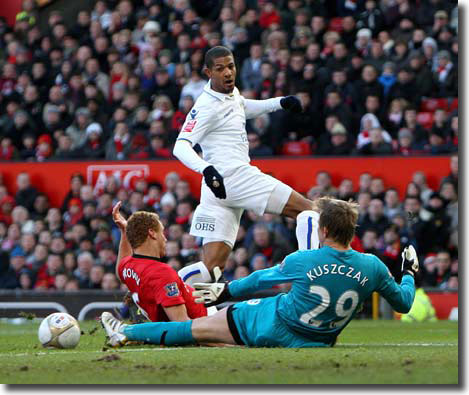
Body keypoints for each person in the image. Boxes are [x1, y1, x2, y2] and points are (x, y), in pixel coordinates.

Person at [101, 197, 418, 348]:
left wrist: (226, 291)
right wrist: (408, 272)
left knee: (191, 330)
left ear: (322, 230)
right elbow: (404, 303)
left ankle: (125, 332)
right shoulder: (373, 266)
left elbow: (260, 280)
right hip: (315, 342)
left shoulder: (303, 259)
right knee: (206, 335)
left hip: (267, 323)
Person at [172, 46, 316, 285]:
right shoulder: (205, 107)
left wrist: (279, 103)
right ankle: (308, 279)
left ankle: (153, 300)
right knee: (309, 211)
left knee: (211, 268)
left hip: (217, 189)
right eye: (220, 69)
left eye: (231, 66)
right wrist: (206, 169)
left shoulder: (230, 94)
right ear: (208, 72)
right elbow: (180, 146)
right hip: (234, 176)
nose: (228, 73)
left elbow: (242, 106)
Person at [111, 201, 209, 322]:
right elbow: (183, 326)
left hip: (195, 304)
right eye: (162, 232)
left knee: (189, 273)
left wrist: (124, 232)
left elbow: (120, 270)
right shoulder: (162, 273)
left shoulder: (129, 266)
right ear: (152, 233)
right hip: (206, 320)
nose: (165, 238)